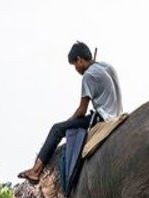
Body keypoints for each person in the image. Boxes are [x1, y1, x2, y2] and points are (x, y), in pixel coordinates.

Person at [18, 41, 122, 184]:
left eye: (75, 65)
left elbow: (82, 110)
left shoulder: (88, 76)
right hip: (117, 114)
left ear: (79, 59)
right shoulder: (107, 67)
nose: (76, 69)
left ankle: (36, 171)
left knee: (57, 129)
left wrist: (68, 121)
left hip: (102, 118)